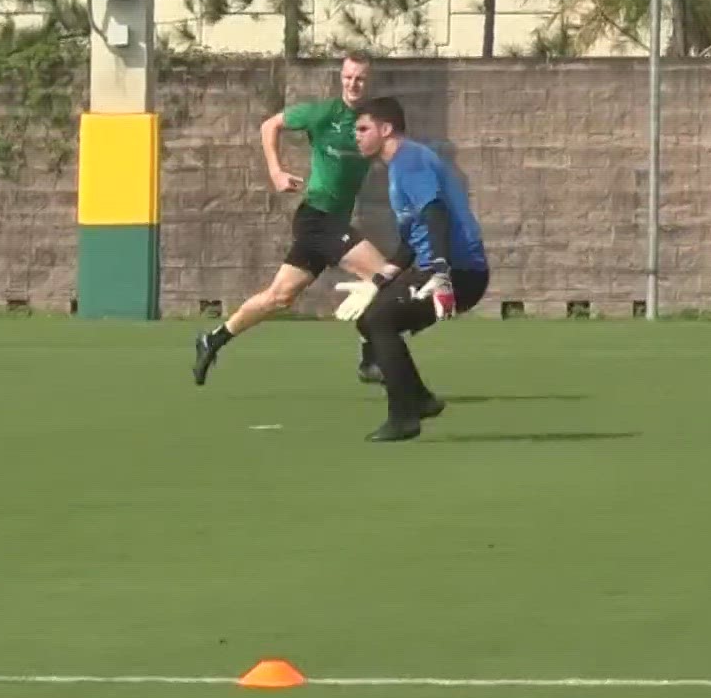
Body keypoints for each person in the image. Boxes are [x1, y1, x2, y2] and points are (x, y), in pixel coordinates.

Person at [191, 52, 395, 386]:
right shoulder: (323, 114)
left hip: (330, 223)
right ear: (340, 78)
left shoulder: (374, 124)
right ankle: (369, 359)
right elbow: (269, 125)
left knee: (279, 297)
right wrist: (276, 171)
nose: (353, 84)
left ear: (368, 82)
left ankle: (212, 340)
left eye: (359, 78)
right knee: (383, 275)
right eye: (348, 77)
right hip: (317, 219)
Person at [339, 96, 491, 442]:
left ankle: (404, 415)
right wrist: (380, 278)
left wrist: (440, 273)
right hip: (442, 266)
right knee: (371, 318)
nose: (357, 136)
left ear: (386, 129)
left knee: (379, 320)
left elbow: (434, 212)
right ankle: (418, 400)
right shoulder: (399, 167)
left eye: (363, 129)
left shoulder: (409, 160)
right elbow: (412, 238)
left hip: (459, 270)